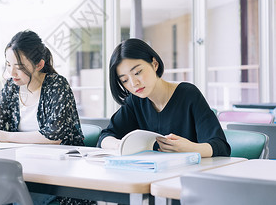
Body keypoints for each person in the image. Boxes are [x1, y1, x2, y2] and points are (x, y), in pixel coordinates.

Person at [0, 30, 94, 205]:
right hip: (23, 171)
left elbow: (53, 137)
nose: (12, 73)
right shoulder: (11, 87)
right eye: (8, 65)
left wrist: (7, 136)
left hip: (58, 178)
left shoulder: (56, 85)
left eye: (20, 67)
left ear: (39, 64)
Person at [98, 38, 230, 158]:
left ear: (154, 64)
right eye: (125, 80)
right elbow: (105, 137)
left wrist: (190, 148)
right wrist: (121, 145)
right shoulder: (135, 101)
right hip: (151, 175)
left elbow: (221, 146)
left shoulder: (188, 94)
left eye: (137, 72)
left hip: (188, 176)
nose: (133, 83)